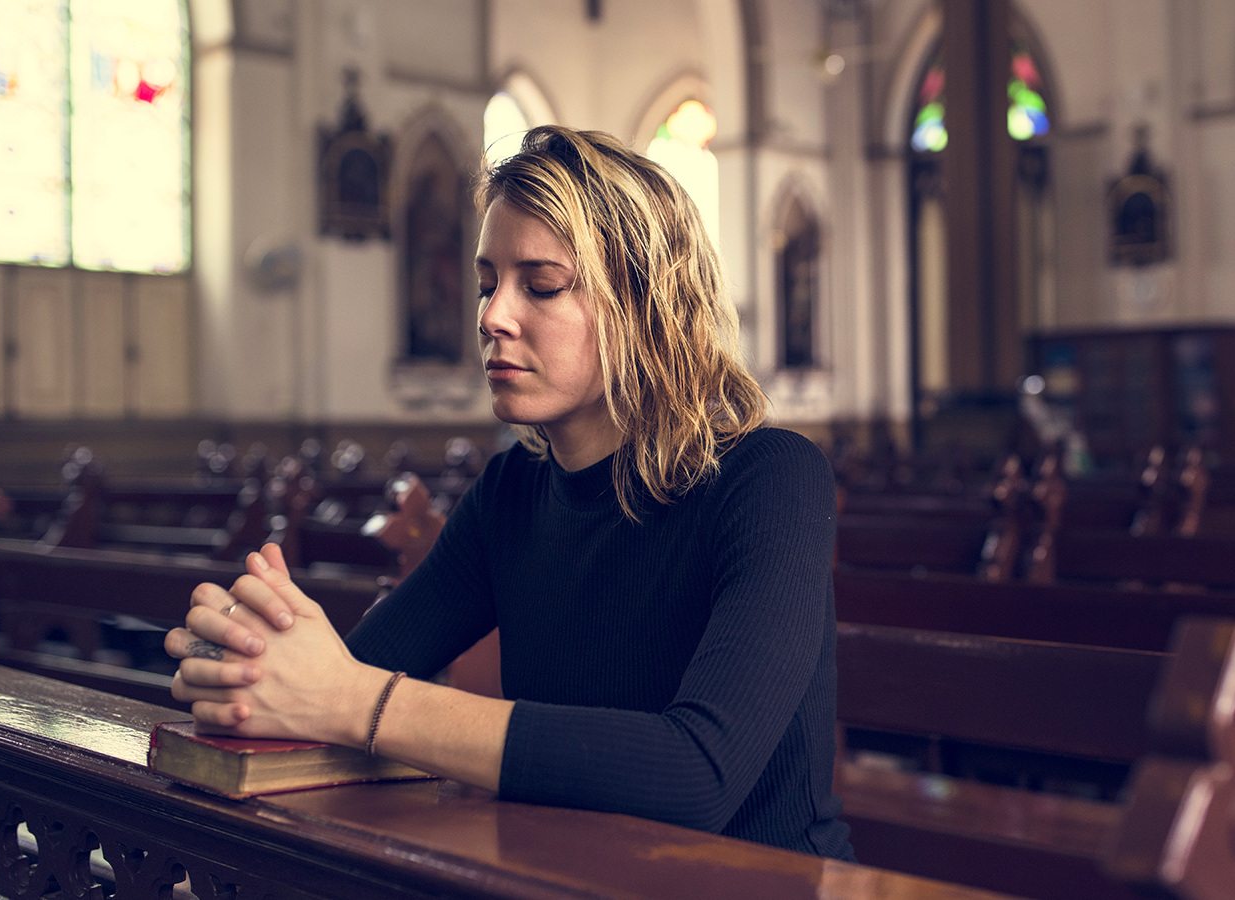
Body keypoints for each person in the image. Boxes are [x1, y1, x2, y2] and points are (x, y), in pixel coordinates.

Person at [165, 125, 853, 860]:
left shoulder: (771, 479)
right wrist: (249, 656)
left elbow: (696, 775)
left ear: (645, 303)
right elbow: (343, 678)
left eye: (542, 284)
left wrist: (354, 701)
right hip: (571, 877)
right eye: (489, 281)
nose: (492, 315)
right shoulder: (511, 494)